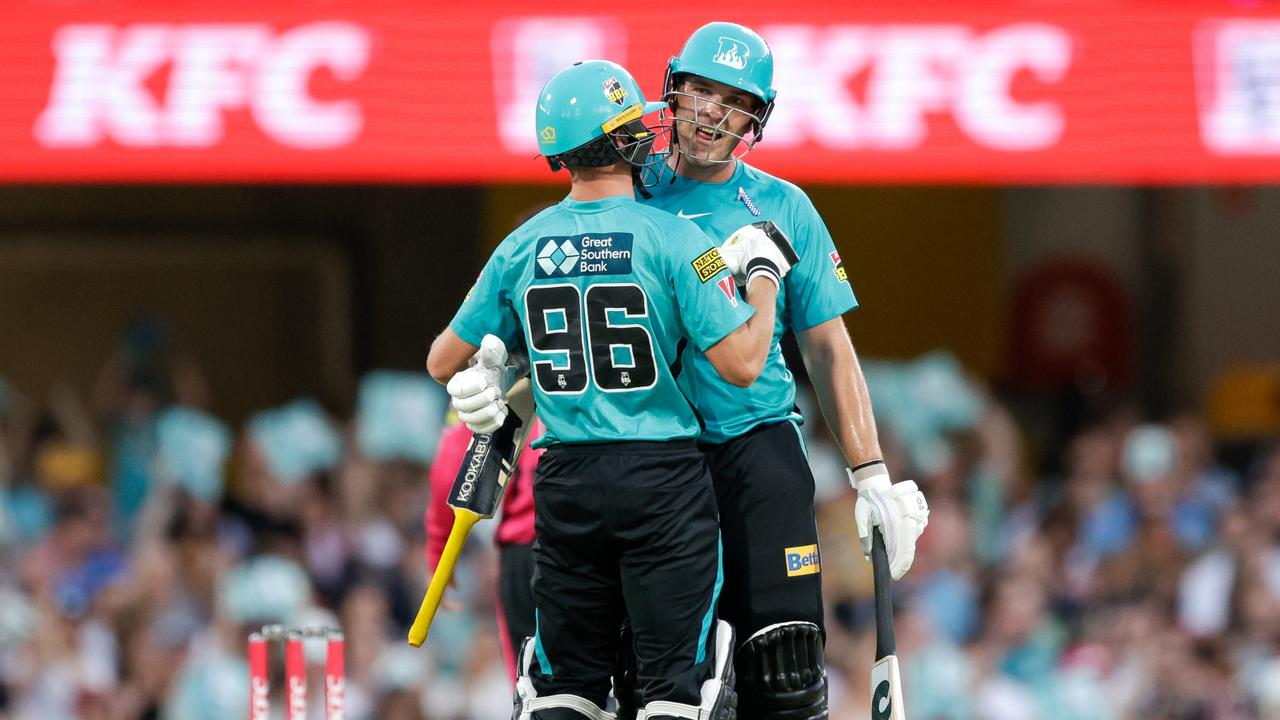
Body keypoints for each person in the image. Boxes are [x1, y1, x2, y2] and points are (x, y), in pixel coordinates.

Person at [426, 59, 793, 719]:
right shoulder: (674, 237)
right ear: (623, 139)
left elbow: (442, 359)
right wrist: (760, 276)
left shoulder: (522, 244)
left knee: (567, 689)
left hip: (565, 479)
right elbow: (740, 362)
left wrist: (500, 364)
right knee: (676, 692)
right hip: (662, 480)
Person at [633, 22, 932, 719]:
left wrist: (871, 474)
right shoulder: (625, 192)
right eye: (700, 91)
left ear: (754, 119)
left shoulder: (785, 206)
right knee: (663, 678)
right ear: (673, 92)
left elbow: (829, 348)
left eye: (731, 101)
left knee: (787, 664)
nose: (710, 112)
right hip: (652, 446)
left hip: (756, 445)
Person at [424, 414, 543, 681]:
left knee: (533, 687)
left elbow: (451, 466)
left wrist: (439, 554)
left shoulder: (494, 372)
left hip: (525, 546)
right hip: (603, 537)